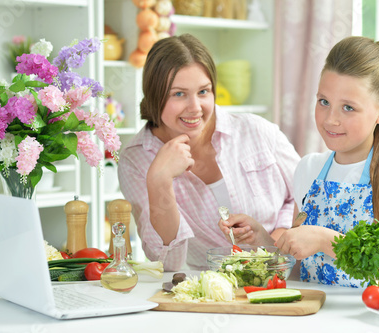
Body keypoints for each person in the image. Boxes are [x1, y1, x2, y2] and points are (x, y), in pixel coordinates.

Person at [220, 36, 379, 287]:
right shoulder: (309, 168)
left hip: (373, 322)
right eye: (324, 102)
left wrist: (325, 240)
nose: (331, 119)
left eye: (348, 108)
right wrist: (261, 239)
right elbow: (299, 268)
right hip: (312, 316)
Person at [118, 34, 300, 271]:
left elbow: (307, 194)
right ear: (154, 96)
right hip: (214, 291)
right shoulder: (136, 160)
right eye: (178, 94)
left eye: (203, 91)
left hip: (286, 276)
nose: (195, 108)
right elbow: (167, 262)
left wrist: (277, 237)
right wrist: (159, 179)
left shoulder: (255, 130)